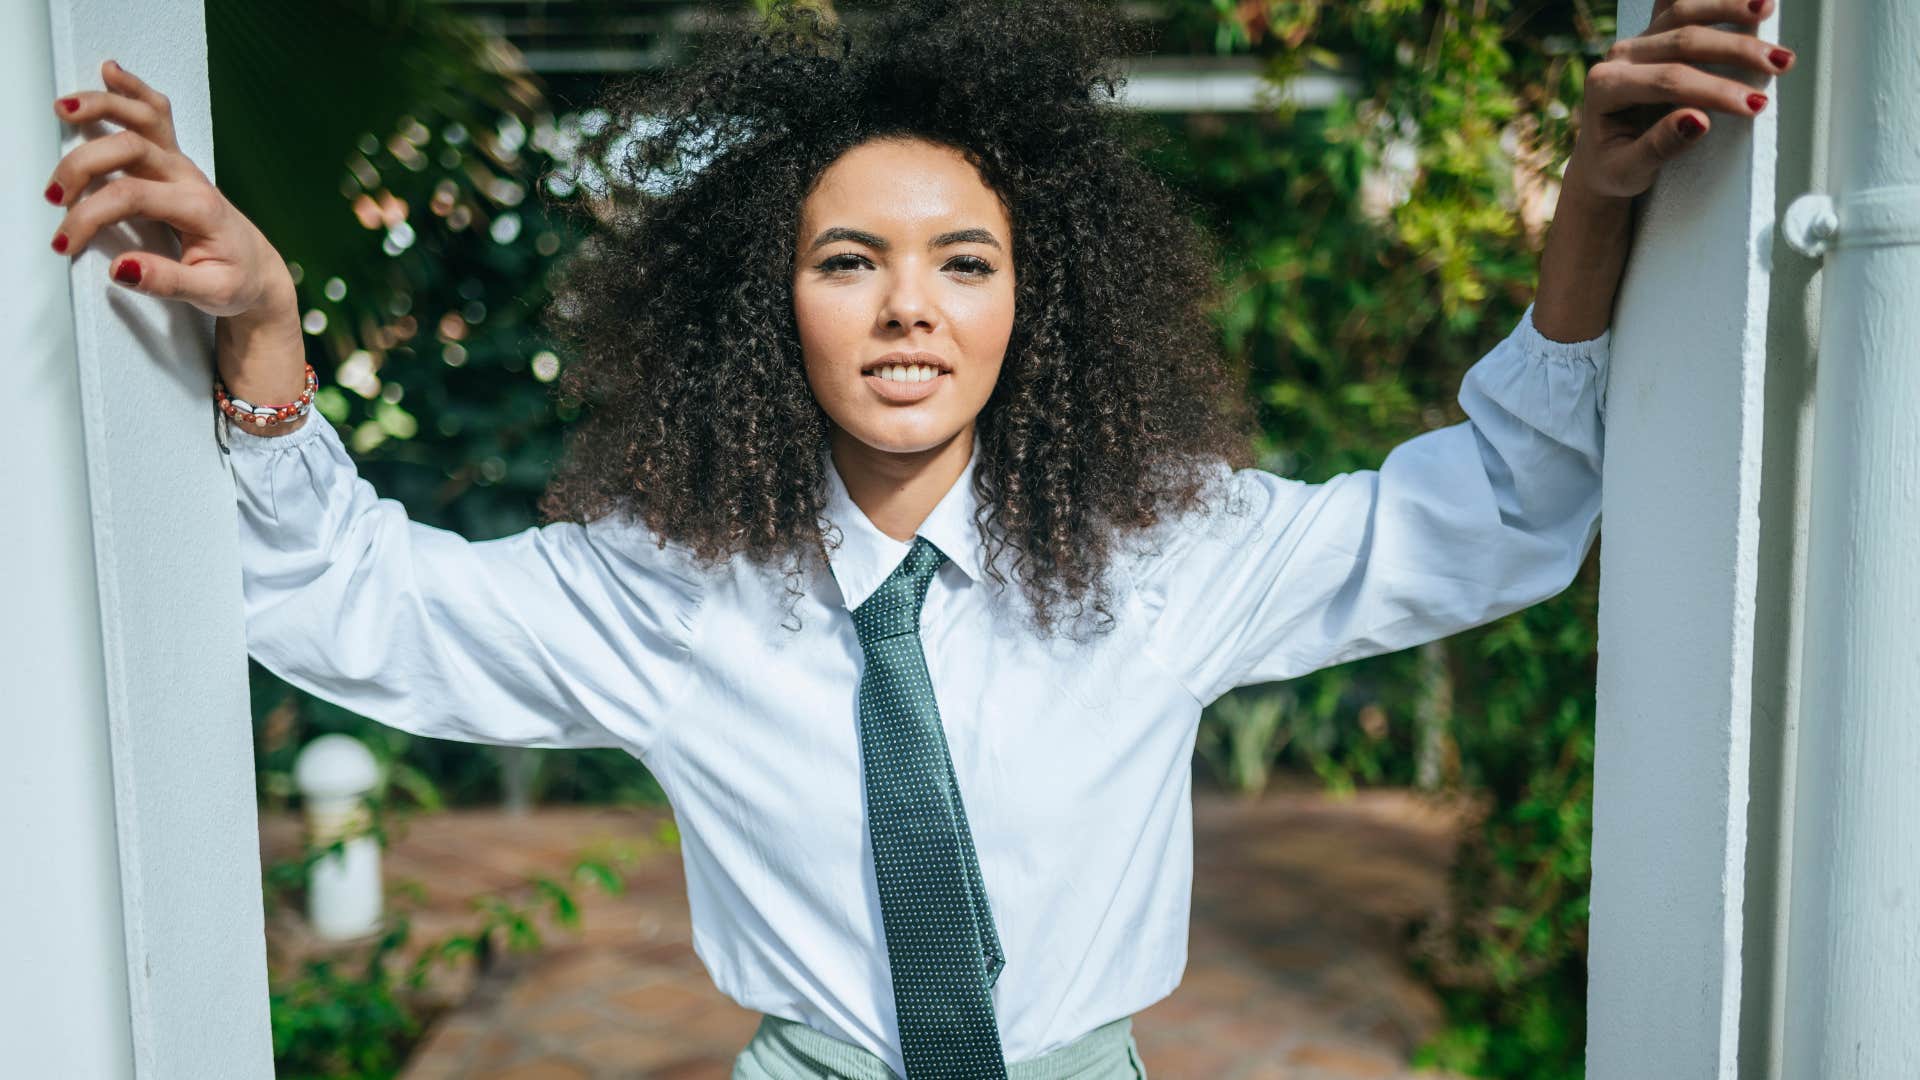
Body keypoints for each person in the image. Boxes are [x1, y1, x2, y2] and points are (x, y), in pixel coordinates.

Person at [44, 1, 1792, 1076]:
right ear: (771, 306)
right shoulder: (673, 594)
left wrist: (1591, 208)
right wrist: (262, 337)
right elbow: (352, 601)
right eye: (847, 261)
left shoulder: (1164, 557)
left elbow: (1494, 512)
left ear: (1037, 300)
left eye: (965, 261)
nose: (908, 310)